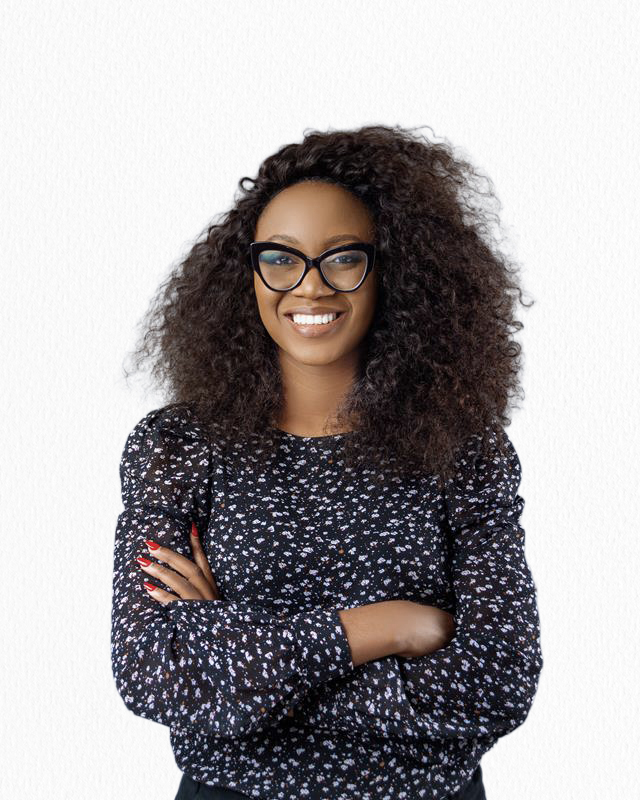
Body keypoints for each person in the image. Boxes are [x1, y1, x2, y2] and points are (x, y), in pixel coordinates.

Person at [111, 124, 543, 800]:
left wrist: (239, 662)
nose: (308, 287)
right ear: (247, 273)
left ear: (393, 270)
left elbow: (498, 682)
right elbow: (153, 673)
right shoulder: (180, 446)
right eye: (280, 258)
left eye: (342, 258)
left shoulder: (462, 449)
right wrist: (389, 627)